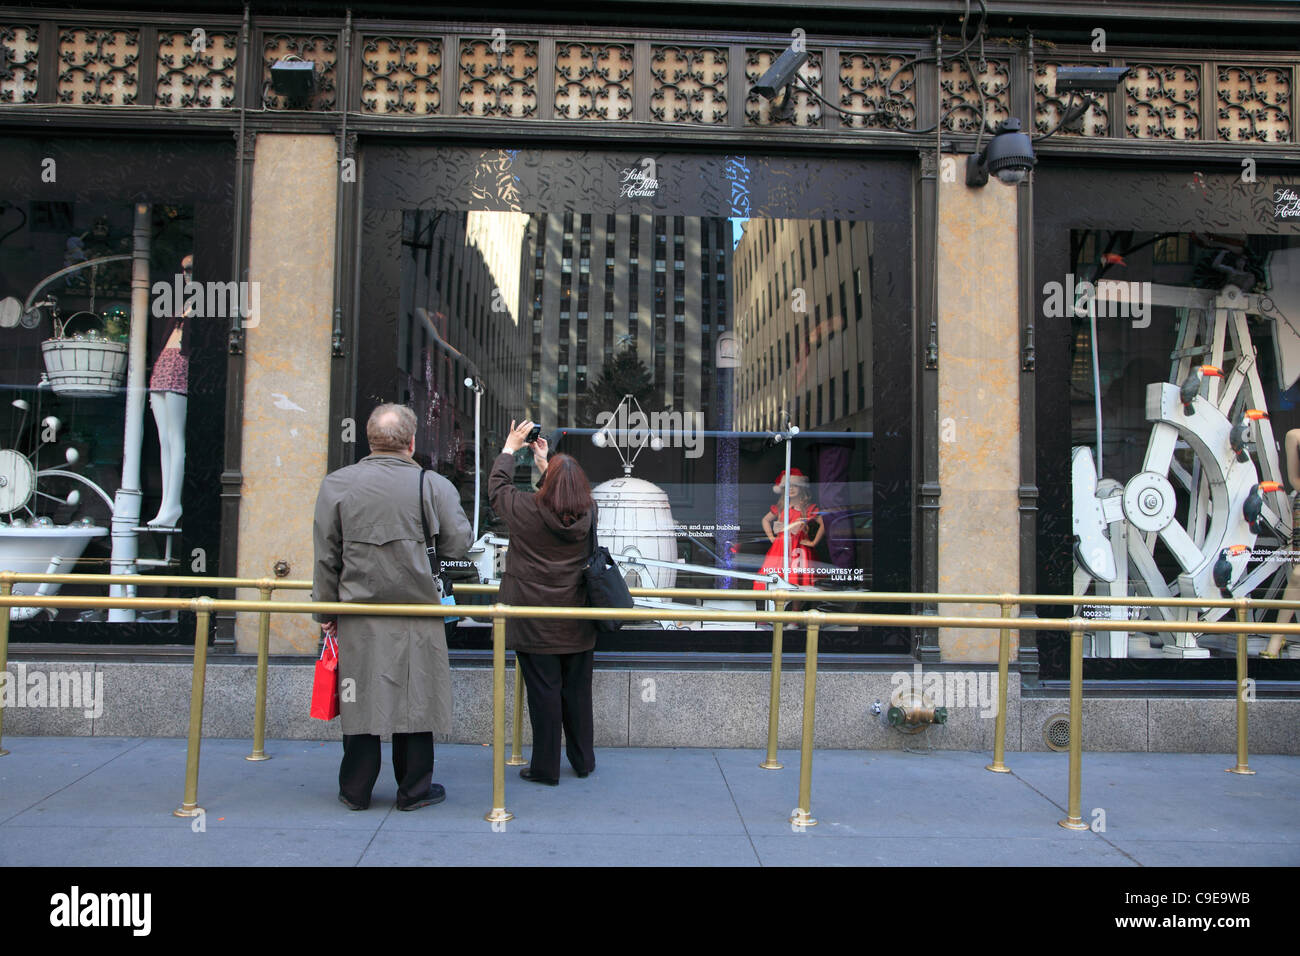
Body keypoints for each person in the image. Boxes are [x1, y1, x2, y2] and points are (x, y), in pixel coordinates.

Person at [312, 403, 473, 810]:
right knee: (416, 698)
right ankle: (414, 789)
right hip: (419, 613)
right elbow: (458, 547)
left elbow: (325, 556)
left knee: (358, 697)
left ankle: (356, 789)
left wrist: (326, 613)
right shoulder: (434, 485)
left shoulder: (337, 484)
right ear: (412, 441)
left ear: (369, 439)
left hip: (357, 615)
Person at [489, 420, 597, 785]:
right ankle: (583, 761)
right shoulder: (589, 512)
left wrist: (510, 447)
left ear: (546, 482)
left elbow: (497, 489)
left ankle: (545, 768)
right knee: (578, 695)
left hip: (533, 620)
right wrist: (547, 463)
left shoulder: (526, 509)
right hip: (578, 619)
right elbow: (563, 498)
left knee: (544, 695)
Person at [147, 253, 192, 528]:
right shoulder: (183, 304)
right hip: (163, 368)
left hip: (179, 369)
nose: (187, 274)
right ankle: (166, 504)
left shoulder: (207, 304)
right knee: (164, 439)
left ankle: (173, 504)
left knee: (176, 438)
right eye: (184, 269)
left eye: (191, 268)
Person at [754, 467, 824, 590]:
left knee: (797, 579)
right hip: (780, 547)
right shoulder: (781, 507)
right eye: (788, 486)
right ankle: (777, 606)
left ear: (801, 488)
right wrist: (770, 536)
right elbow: (765, 520)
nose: (791, 489)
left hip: (798, 548)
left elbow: (824, 524)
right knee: (776, 576)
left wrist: (813, 542)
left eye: (795, 486)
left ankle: (795, 608)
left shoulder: (807, 508)